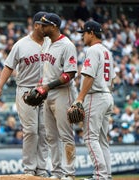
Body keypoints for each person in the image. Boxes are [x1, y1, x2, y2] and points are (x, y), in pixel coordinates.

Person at [0, 11, 50, 177]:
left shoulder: (51, 43)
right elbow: (8, 66)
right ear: (36, 25)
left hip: (45, 90)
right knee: (31, 130)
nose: (47, 28)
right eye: (44, 25)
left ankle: (41, 168)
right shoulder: (21, 44)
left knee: (44, 130)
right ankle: (29, 168)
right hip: (26, 90)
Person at [38, 12, 78, 180]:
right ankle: (56, 172)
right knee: (51, 136)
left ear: (54, 26)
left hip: (63, 93)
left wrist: (47, 86)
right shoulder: (47, 42)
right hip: (47, 93)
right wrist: (40, 86)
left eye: (44, 25)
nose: (41, 27)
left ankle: (69, 173)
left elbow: (70, 73)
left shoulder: (67, 45)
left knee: (66, 135)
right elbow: (45, 69)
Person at [76, 20, 115, 180]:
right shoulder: (108, 51)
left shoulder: (92, 50)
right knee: (102, 140)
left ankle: (100, 175)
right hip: (107, 95)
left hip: (95, 96)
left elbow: (89, 76)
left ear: (91, 33)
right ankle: (107, 175)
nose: (83, 36)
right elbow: (112, 79)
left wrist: (80, 98)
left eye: (84, 33)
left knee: (90, 138)